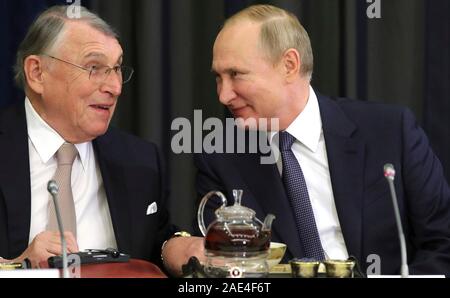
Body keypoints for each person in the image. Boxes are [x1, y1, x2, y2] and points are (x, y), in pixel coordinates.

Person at [195, 4, 450, 276]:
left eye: (235, 74)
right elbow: (223, 267)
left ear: (289, 65)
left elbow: (443, 243)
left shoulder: (390, 132)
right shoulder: (221, 157)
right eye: (218, 78)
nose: (223, 95)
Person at [0, 5, 203, 276]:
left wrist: (179, 247)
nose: (115, 87)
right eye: (94, 67)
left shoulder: (140, 161)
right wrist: (14, 267)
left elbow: (155, 243)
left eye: (117, 68)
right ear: (37, 73)